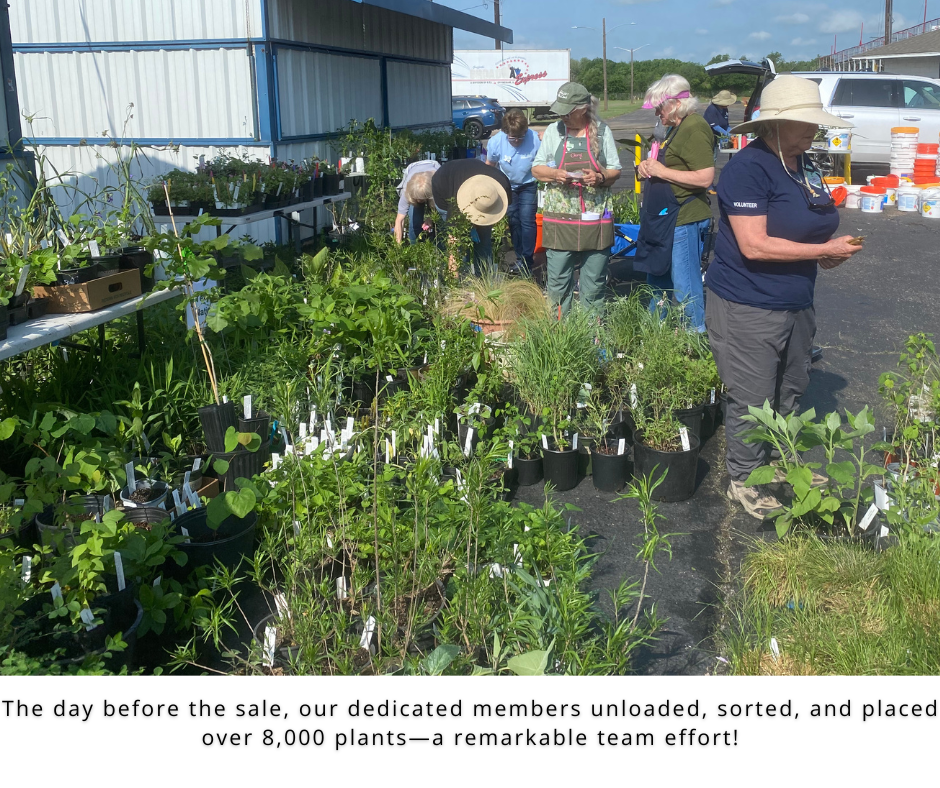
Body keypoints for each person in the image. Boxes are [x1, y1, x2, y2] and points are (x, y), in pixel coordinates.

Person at [704, 75, 862, 519]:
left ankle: (774, 461)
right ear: (774, 125)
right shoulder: (748, 169)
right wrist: (822, 251)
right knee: (753, 395)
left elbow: (809, 221)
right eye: (805, 122)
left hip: (796, 296)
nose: (815, 129)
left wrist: (825, 253)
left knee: (790, 386)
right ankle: (744, 477)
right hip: (747, 301)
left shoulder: (802, 162)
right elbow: (753, 245)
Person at [531, 82, 622, 316]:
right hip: (560, 219)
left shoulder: (602, 132)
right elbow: (536, 169)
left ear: (582, 108)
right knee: (559, 284)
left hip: (595, 218)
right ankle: (561, 338)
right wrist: (554, 174)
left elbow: (615, 170)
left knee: (593, 285)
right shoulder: (554, 131)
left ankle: (594, 339)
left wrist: (600, 177)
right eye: (560, 111)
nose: (563, 116)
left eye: (567, 112)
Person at [634, 74, 713, 333]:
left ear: (677, 104)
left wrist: (661, 171)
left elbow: (705, 177)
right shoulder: (674, 128)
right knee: (658, 276)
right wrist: (644, 167)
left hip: (684, 216)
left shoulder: (694, 127)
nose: (657, 113)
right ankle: (658, 335)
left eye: (660, 107)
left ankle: (695, 339)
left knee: (685, 283)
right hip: (665, 218)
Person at [430, 158, 512, 275]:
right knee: (461, 244)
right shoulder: (456, 207)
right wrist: (454, 286)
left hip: (472, 178)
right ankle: (463, 278)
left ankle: (483, 280)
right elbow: (454, 244)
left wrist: (478, 225)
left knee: (484, 238)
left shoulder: (502, 184)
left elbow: (501, 212)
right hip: (444, 187)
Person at [486, 108, 540, 275]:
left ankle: (527, 261)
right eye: (512, 138)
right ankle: (519, 258)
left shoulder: (534, 139)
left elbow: (543, 163)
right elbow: (490, 166)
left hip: (528, 184)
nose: (516, 141)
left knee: (527, 221)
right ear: (505, 132)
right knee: (514, 221)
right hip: (507, 186)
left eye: (520, 137)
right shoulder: (496, 142)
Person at [394, 158, 440, 244]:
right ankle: (414, 248)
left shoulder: (438, 184)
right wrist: (397, 246)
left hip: (433, 176)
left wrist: (430, 219)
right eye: (417, 199)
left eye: (422, 199)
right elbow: (399, 220)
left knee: (439, 221)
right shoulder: (406, 191)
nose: (420, 201)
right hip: (412, 169)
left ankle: (439, 247)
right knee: (415, 223)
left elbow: (441, 208)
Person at [703, 90, 735, 193]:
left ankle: (710, 184)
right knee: (710, 160)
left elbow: (726, 125)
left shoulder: (725, 110)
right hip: (708, 137)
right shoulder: (711, 109)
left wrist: (732, 133)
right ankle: (709, 186)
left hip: (717, 137)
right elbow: (715, 126)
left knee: (715, 159)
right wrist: (727, 135)